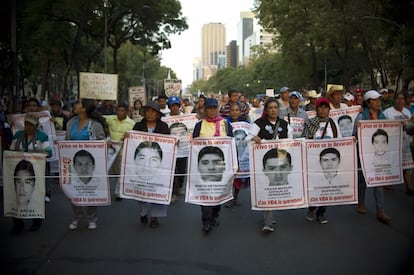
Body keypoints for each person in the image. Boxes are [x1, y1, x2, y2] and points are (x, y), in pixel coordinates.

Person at [246, 98, 292, 232]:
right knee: (267, 190)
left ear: (278, 110)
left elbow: (291, 142)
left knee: (276, 191)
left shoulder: (285, 124)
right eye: (270, 108)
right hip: (266, 165)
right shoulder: (258, 123)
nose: (273, 110)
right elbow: (247, 139)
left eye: (275, 108)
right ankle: (267, 221)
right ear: (266, 110)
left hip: (281, 163)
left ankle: (269, 215)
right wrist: (254, 138)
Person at [192, 97, 233, 233]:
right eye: (209, 108)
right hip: (204, 166)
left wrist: (234, 164)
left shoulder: (226, 125)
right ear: (204, 110)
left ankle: (215, 214)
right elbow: (194, 145)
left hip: (221, 166)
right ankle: (206, 221)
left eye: (214, 108)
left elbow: (231, 145)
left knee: (219, 192)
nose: (212, 111)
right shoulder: (199, 125)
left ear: (217, 109)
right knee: (205, 193)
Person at [66, 98, 106, 230]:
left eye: (77, 103)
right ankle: (76, 217)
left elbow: (102, 141)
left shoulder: (95, 125)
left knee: (91, 189)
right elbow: (67, 140)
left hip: (89, 163)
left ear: (84, 108)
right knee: (74, 189)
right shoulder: (71, 122)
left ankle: (92, 217)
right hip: (74, 162)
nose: (75, 105)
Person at [353, 90, 391, 224]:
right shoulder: (361, 117)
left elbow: (388, 132)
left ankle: (380, 210)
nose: (378, 102)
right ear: (368, 103)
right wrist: (358, 129)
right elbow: (354, 136)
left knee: (378, 181)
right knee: (362, 180)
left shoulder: (382, 116)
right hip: (364, 154)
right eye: (375, 100)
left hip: (378, 154)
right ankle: (360, 203)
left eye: (379, 100)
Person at [10, 113, 52, 234]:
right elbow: (11, 151)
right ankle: (17, 223)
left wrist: (39, 150)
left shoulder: (42, 136)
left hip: (36, 171)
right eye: (26, 124)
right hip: (19, 171)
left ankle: (36, 220)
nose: (28, 127)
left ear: (37, 126)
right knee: (15, 195)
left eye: (31, 125)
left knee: (37, 194)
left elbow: (49, 153)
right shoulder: (18, 135)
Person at [302, 97, 341, 224]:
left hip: (328, 161)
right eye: (321, 107)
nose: (323, 110)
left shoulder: (334, 124)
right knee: (314, 187)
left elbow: (340, 141)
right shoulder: (310, 123)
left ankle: (321, 213)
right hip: (313, 161)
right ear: (316, 108)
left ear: (329, 109)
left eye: (326, 107)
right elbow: (304, 140)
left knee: (326, 187)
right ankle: (312, 208)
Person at [132, 101, 170, 228]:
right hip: (142, 165)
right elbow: (133, 144)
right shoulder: (137, 126)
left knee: (158, 189)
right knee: (141, 188)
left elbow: (168, 145)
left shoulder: (164, 127)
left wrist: (173, 144)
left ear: (158, 114)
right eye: (148, 111)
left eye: (153, 112)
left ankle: (154, 217)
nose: (150, 114)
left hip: (157, 165)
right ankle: (143, 213)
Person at [383, 92, 414, 194]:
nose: (400, 101)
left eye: (402, 99)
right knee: (392, 163)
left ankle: (409, 187)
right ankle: (387, 182)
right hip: (393, 143)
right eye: (398, 99)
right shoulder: (387, 113)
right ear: (394, 100)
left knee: (408, 166)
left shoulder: (407, 112)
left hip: (406, 143)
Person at [104, 103, 135, 200]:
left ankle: (118, 192)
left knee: (121, 172)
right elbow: (99, 118)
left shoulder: (131, 123)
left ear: (126, 112)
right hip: (110, 151)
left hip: (123, 151)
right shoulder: (110, 119)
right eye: (118, 110)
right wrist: (106, 133)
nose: (119, 113)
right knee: (114, 171)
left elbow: (134, 137)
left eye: (122, 111)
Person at [10, 160, 39, 234]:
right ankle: (17, 224)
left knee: (39, 196)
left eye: (27, 182)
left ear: (33, 185)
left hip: (37, 160)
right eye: (18, 181)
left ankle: (37, 220)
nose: (22, 188)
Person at [169, 122, 189, 202]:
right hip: (172, 152)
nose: (179, 136)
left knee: (181, 170)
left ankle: (180, 187)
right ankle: (174, 193)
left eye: (182, 133)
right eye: (174, 133)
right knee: (173, 173)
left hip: (184, 152)